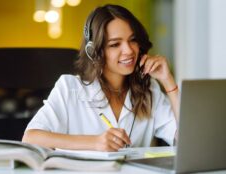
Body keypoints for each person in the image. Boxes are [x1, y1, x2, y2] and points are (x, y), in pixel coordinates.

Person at [22, 4, 179, 152]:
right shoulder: (70, 88)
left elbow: (183, 139)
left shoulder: (148, 88)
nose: (129, 51)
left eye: (132, 40)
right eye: (115, 44)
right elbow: (31, 138)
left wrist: (168, 81)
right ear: (94, 51)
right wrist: (95, 142)